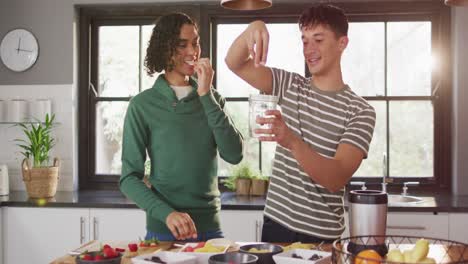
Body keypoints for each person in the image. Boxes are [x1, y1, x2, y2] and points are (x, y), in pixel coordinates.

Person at [225, 4, 376, 243]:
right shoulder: (290, 85)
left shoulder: (360, 111)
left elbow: (335, 178)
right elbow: (235, 62)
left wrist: (292, 141)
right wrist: (253, 28)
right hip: (276, 226)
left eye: (318, 39)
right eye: (305, 41)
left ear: (342, 43)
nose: (310, 49)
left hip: (322, 236)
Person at [120, 13, 243, 242]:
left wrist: (206, 95)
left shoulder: (212, 99)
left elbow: (234, 154)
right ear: (165, 49)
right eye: (182, 45)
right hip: (163, 231)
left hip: (210, 230)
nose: (192, 52)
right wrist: (167, 214)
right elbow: (129, 178)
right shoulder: (142, 105)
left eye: (195, 43)